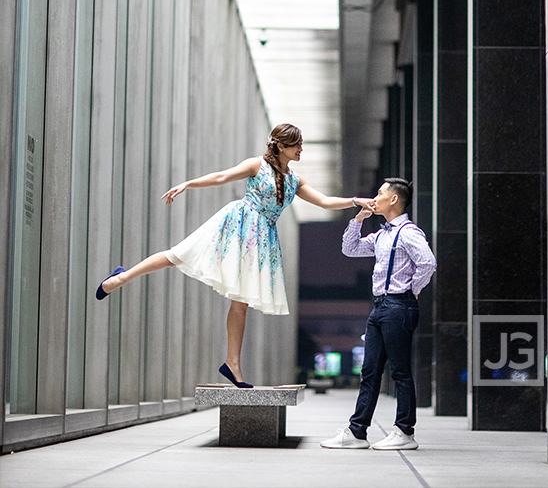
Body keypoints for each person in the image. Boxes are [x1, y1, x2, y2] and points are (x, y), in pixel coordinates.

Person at [96, 123, 373, 388]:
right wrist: (188, 184)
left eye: (300, 144)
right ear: (279, 145)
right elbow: (221, 176)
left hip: (262, 238)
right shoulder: (257, 164)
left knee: (240, 303)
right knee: (179, 255)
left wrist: (354, 201)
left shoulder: (295, 180)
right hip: (238, 224)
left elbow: (324, 202)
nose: (301, 148)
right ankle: (123, 277)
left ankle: (232, 363)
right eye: (296, 144)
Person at [321, 178, 436, 451]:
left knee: (400, 372)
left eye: (380, 193)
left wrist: (413, 289)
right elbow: (350, 249)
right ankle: (357, 432)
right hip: (380, 308)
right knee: (369, 372)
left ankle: (405, 431)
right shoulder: (383, 235)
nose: (376, 196)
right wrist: (359, 217)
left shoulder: (408, 232)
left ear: (394, 199)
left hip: (399, 306)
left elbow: (427, 262)